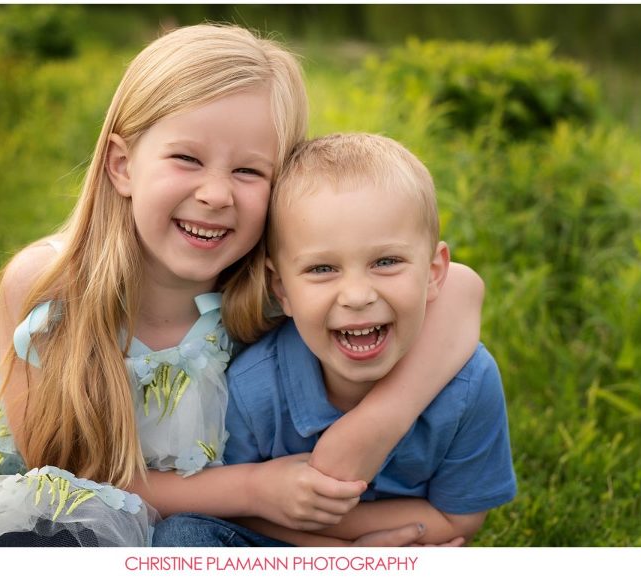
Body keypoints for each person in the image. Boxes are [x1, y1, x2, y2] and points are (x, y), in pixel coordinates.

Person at [0, 25, 483, 548]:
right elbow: (60, 477)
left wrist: (377, 424)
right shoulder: (51, 286)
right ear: (122, 165)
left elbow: (459, 286)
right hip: (27, 493)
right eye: (187, 159)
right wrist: (253, 489)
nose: (217, 194)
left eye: (249, 170)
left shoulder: (278, 286)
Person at [155, 134, 516, 547]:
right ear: (281, 289)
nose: (358, 296)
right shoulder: (254, 386)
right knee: (181, 536)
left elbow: (459, 520)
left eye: (386, 262)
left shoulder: (470, 384)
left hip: (403, 552)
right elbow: (231, 511)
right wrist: (340, 557)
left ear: (434, 272)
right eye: (323, 269)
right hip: (287, 550)